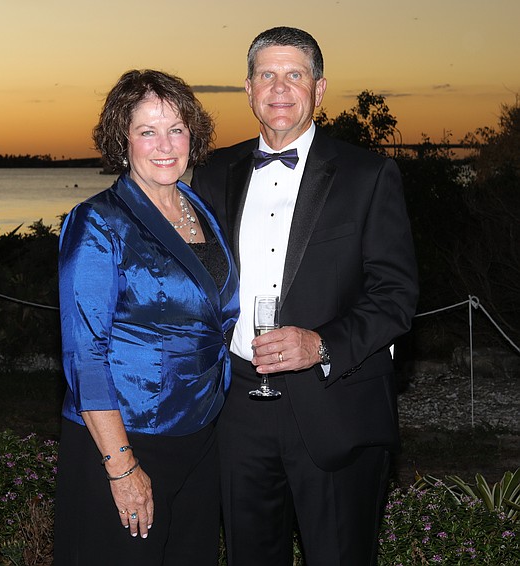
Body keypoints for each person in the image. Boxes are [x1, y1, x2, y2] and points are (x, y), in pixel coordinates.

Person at [192, 27, 419, 565]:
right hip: (237, 408)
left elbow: (396, 295)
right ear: (248, 89)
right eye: (267, 75)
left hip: (335, 403)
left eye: (294, 75)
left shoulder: (369, 175)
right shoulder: (212, 174)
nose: (279, 88)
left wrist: (321, 344)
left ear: (318, 90)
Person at [54, 69, 240, 565]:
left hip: (201, 434)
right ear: (123, 140)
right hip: (128, 436)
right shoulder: (98, 221)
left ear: (192, 137)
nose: (165, 144)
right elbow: (85, 357)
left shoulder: (201, 209)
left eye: (176, 129)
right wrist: (120, 468)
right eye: (147, 131)